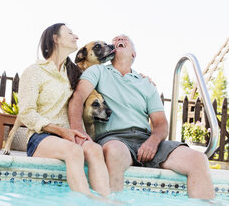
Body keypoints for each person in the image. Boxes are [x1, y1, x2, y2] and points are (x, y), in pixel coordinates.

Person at [68, 34, 215, 199]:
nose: (119, 40)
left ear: (133, 54)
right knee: (114, 152)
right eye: (116, 40)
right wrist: (78, 132)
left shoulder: (146, 84)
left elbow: (160, 123)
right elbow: (78, 97)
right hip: (114, 138)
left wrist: (152, 142)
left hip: (146, 139)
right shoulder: (98, 71)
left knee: (198, 159)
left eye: (125, 40)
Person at [16, 23, 111, 199]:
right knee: (74, 151)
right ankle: (88, 201)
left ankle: (106, 200)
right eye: (70, 33)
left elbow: (102, 69)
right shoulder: (35, 72)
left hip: (69, 135)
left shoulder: (74, 73)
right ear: (55, 39)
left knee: (95, 149)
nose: (76, 36)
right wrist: (60, 131)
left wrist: (141, 77)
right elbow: (26, 113)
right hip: (41, 136)